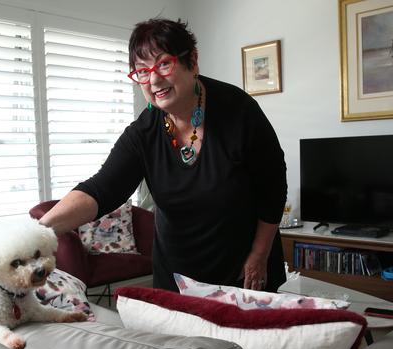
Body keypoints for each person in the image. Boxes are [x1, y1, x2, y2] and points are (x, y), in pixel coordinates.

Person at [39, 18, 287, 293]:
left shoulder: (240, 112)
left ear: (192, 60)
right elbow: (101, 189)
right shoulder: (143, 133)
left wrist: (259, 255)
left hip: (243, 269)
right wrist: (37, 232)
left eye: (164, 64)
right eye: (142, 71)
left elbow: (273, 189)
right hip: (178, 277)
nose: (154, 79)